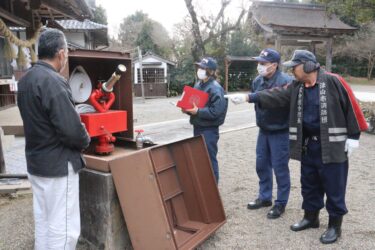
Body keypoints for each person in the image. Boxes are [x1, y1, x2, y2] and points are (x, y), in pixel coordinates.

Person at [228, 50, 368, 244]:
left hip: (333, 145)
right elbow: (276, 95)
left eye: (295, 66)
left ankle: (335, 226)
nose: (292, 70)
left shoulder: (333, 81)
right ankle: (311, 218)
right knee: (309, 183)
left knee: (334, 186)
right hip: (308, 144)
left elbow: (351, 106)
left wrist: (354, 136)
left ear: (308, 65)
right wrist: (249, 97)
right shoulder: (297, 86)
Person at [17, 28, 90, 249]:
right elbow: (72, 131)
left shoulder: (26, 80)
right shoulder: (53, 81)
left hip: (37, 163)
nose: (66, 56)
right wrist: (85, 139)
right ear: (60, 53)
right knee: (64, 228)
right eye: (66, 52)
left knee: (44, 222)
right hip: (58, 167)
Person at [246, 48, 293, 219]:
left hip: (281, 131)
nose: (259, 66)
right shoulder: (257, 81)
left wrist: (252, 97)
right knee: (261, 164)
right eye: (258, 63)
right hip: (264, 130)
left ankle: (280, 203)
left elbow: (273, 98)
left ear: (274, 65)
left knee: (280, 168)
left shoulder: (286, 81)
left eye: (263, 63)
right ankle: (265, 197)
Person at [183, 57, 228, 183]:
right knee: (199, 158)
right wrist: (186, 108)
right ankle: (204, 184)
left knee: (209, 158)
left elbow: (216, 112)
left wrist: (198, 111)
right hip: (197, 127)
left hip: (209, 130)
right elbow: (194, 104)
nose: (200, 70)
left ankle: (213, 187)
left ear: (211, 71)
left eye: (203, 68)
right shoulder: (198, 84)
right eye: (199, 67)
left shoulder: (215, 88)